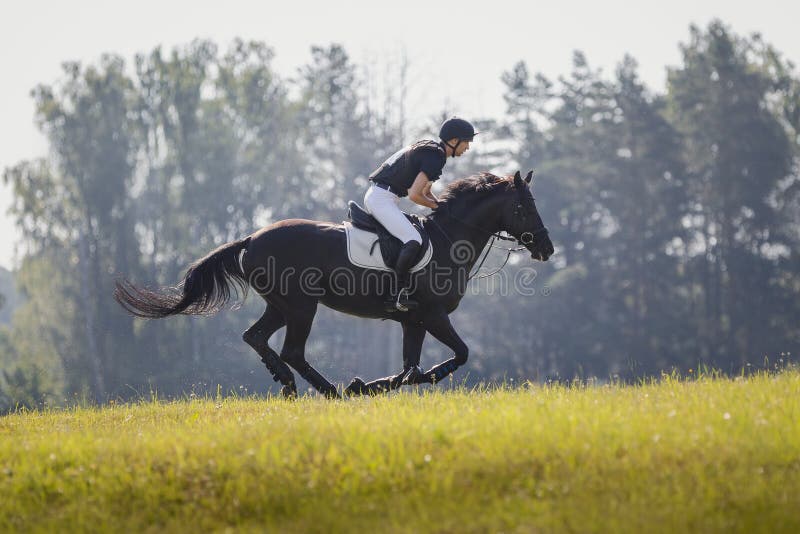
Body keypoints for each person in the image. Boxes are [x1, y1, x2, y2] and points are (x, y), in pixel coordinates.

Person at [365, 116, 478, 311]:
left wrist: (440, 204)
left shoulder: (434, 152)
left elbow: (425, 192)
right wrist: (436, 207)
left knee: (414, 236)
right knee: (413, 239)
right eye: (466, 142)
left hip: (383, 197)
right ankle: (396, 294)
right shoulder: (435, 156)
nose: (467, 147)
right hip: (382, 199)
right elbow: (415, 195)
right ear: (453, 141)